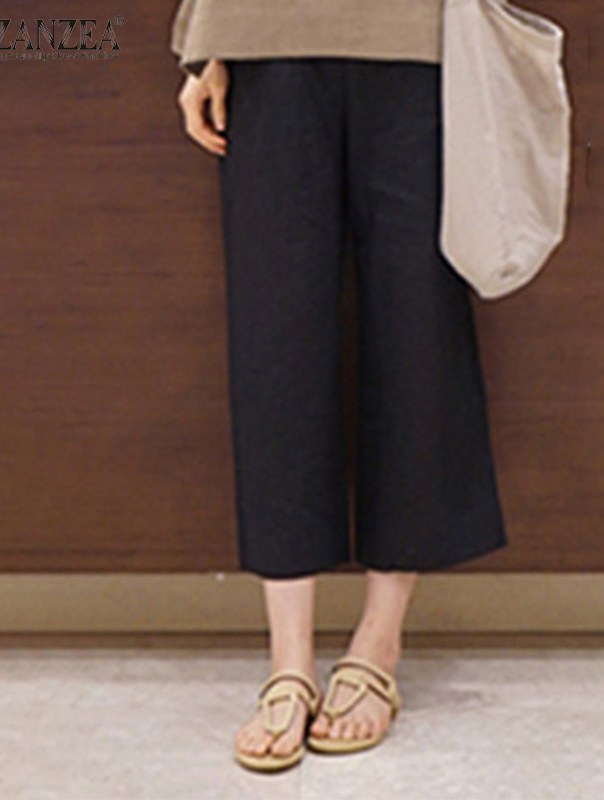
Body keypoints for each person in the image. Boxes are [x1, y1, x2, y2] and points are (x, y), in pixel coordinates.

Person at [172, 0, 508, 772]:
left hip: (421, 39)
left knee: (418, 326)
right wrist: (206, 38)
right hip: (264, 33)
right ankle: (288, 661)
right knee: (275, 337)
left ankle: (378, 643)